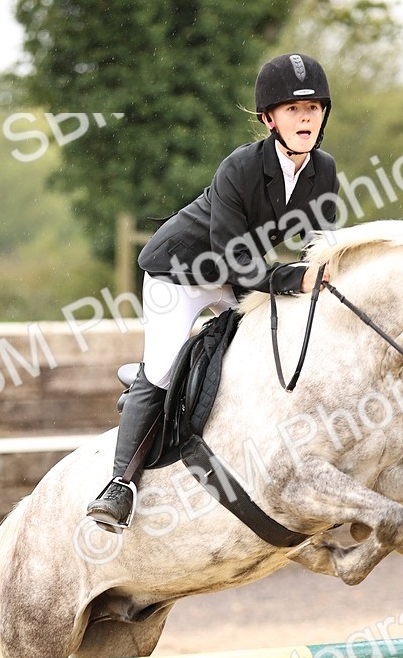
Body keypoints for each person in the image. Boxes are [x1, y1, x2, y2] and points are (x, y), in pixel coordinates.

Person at [87, 52, 340, 532]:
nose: (304, 118)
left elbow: (320, 247)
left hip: (232, 275)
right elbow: (234, 259)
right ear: (269, 119)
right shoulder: (240, 167)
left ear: (323, 115)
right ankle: (119, 485)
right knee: (163, 368)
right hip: (178, 273)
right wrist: (292, 279)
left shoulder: (322, 170)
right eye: (292, 110)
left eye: (312, 110)